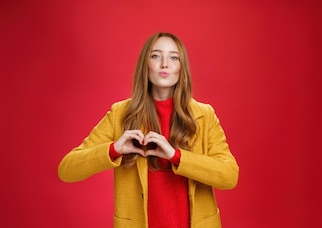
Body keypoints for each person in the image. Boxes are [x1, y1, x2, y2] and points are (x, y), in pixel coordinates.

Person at [58, 32, 239, 228]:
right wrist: (114, 149)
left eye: (173, 57)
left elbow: (229, 176)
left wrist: (175, 155)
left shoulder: (204, 115)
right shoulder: (120, 114)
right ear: (145, 65)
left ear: (181, 68)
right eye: (155, 56)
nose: (164, 64)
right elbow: (67, 170)